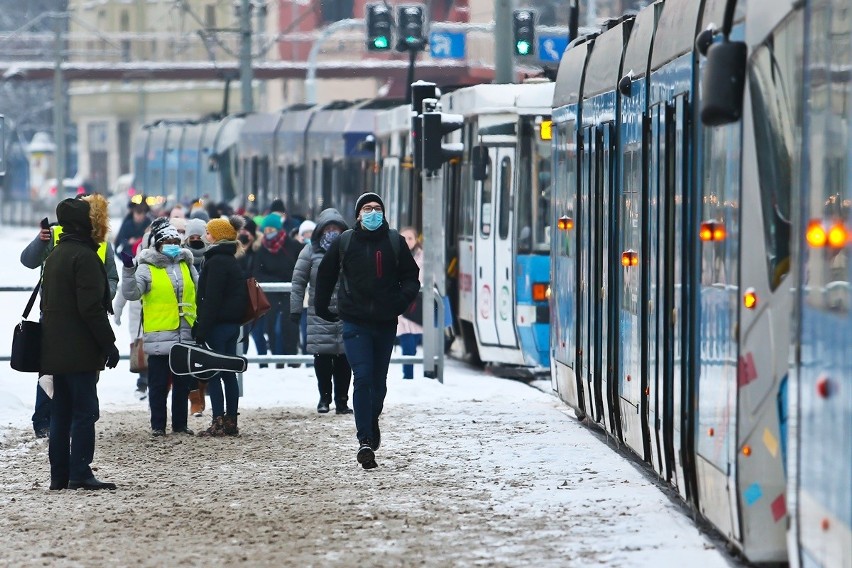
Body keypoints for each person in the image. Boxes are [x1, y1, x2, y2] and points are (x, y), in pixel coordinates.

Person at [315, 193, 420, 470]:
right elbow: (325, 275)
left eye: (377, 208)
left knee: (378, 381)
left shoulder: (395, 242)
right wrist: (323, 307)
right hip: (355, 322)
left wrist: (399, 301)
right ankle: (364, 440)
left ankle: (371, 421)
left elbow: (411, 277)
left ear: (383, 213)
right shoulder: (345, 241)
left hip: (385, 323)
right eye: (367, 209)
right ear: (358, 214)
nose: (372, 213)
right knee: (361, 377)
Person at [20, 202, 120, 439]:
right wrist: (40, 241)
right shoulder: (54, 236)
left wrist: (105, 296)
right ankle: (45, 420)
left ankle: (67, 428)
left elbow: (111, 278)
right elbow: (28, 260)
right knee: (52, 375)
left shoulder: (102, 245)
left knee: (79, 377)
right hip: (57, 316)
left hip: (87, 319)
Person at [40, 194, 119, 490]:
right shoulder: (84, 256)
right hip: (80, 350)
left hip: (55, 350)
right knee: (85, 412)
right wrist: (108, 343)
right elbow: (90, 308)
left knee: (60, 413)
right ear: (83, 223)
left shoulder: (57, 255)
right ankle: (80, 472)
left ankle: (59, 475)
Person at [121, 218, 198, 436]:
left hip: (184, 335)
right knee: (158, 386)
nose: (172, 244)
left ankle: (180, 425)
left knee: (182, 385)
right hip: (158, 336)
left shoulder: (186, 265)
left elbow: (197, 293)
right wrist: (128, 271)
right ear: (157, 244)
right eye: (167, 241)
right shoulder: (146, 268)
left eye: (176, 240)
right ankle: (158, 426)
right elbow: (132, 293)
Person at [290, 209, 352, 414]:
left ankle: (342, 400)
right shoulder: (309, 252)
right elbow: (299, 282)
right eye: (329, 228)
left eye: (336, 228)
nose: (333, 231)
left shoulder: (351, 248)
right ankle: (324, 398)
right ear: (320, 230)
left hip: (347, 311)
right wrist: (295, 309)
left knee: (345, 359)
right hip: (319, 312)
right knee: (322, 358)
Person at [193, 215, 248, 437]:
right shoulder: (230, 260)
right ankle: (231, 420)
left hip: (217, 326)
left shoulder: (215, 261)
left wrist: (201, 329)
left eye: (208, 232)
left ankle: (218, 420)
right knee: (229, 372)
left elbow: (211, 300)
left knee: (215, 372)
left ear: (216, 236)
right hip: (232, 325)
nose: (205, 236)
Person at [252, 213, 303, 368]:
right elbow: (257, 273)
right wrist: (273, 282)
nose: (268, 232)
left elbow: (300, 266)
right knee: (272, 326)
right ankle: (277, 358)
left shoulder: (292, 246)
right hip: (272, 293)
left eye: (271, 229)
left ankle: (292, 359)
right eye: (265, 229)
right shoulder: (262, 250)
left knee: (290, 324)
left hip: (290, 291)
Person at [396, 227, 424, 380]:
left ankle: (414, 376)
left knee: (415, 339)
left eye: (410, 238)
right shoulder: (394, 255)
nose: (407, 242)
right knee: (406, 340)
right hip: (403, 305)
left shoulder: (423, 258)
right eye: (404, 238)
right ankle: (408, 376)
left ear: (416, 240)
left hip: (417, 305)